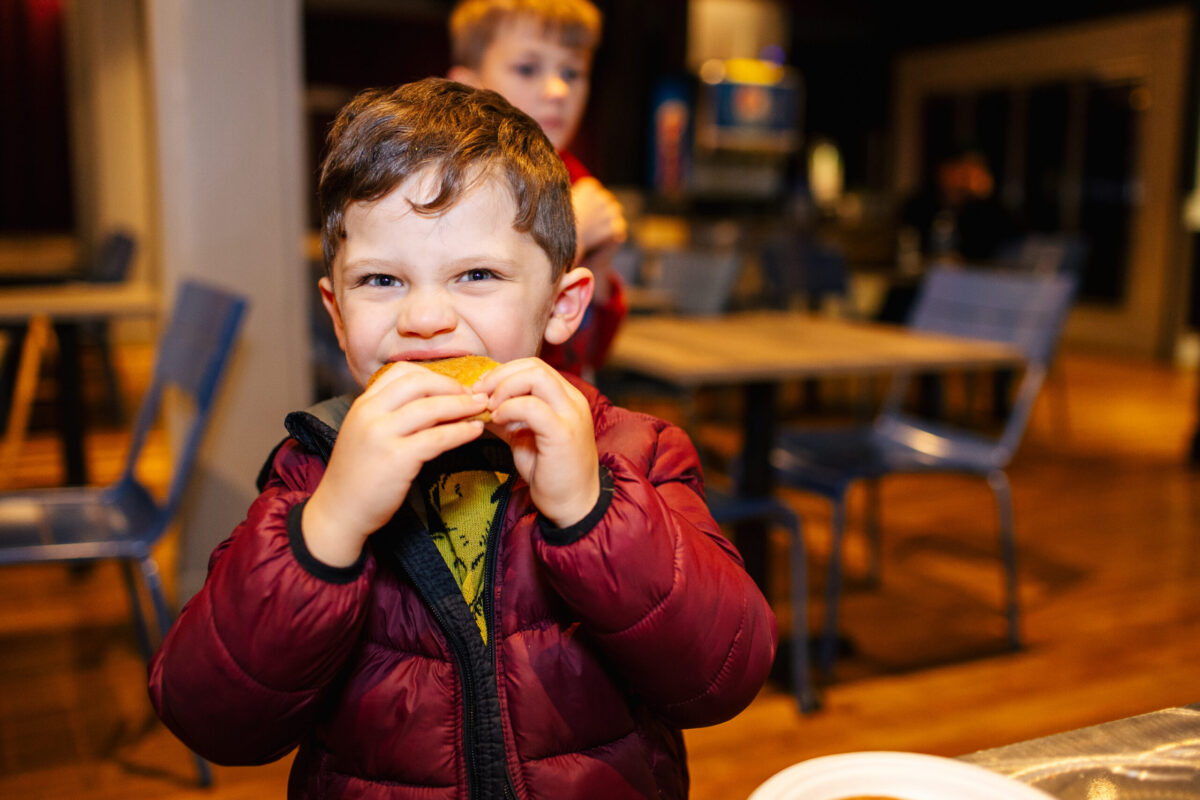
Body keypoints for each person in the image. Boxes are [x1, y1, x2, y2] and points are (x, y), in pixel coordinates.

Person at [148, 78, 777, 800]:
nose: (423, 318)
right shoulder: (310, 475)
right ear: (337, 312)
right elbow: (208, 717)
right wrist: (329, 529)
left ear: (562, 305)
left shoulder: (637, 454)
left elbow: (725, 676)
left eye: (476, 274)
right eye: (381, 280)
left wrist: (592, 510)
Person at [447, 0, 628, 379]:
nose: (559, 89)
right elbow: (477, 322)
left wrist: (599, 272)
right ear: (467, 86)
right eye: (528, 69)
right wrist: (570, 233)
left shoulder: (574, 179)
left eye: (573, 72)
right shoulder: (451, 185)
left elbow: (592, 352)